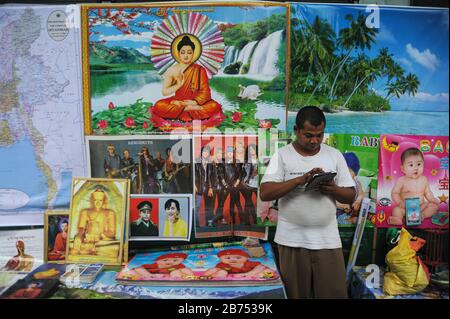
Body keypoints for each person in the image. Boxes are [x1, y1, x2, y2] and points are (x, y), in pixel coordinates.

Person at [260, 106, 356, 299]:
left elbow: (350, 195)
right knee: (295, 295)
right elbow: (265, 192)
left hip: (327, 240)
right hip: (291, 240)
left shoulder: (334, 155)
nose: (314, 141)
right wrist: (299, 180)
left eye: (319, 135)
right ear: (296, 130)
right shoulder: (282, 156)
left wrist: (333, 189)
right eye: (308, 135)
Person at [150, 35, 223, 124]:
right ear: (178, 53)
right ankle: (189, 111)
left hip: (194, 103)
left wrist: (195, 102)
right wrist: (178, 85)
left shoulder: (200, 69)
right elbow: (165, 91)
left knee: (214, 106)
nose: (186, 55)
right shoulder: (172, 69)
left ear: (193, 53)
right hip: (178, 101)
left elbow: (206, 92)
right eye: (183, 52)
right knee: (159, 105)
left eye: (189, 52)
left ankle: (184, 111)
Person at [388, 147, 440, 225]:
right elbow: (395, 193)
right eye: (411, 165)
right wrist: (400, 202)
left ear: (423, 164)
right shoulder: (401, 180)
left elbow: (427, 192)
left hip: (421, 207)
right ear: (403, 168)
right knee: (396, 210)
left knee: (434, 205)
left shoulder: (424, 179)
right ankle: (398, 219)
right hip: (405, 208)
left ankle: (422, 215)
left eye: (419, 164)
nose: (416, 168)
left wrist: (431, 198)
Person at [71, 188, 117, 256]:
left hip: (102, 242)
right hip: (87, 240)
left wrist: (100, 236)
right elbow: (81, 229)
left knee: (115, 248)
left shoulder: (110, 213)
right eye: (95, 200)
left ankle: (90, 249)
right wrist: (82, 236)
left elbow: (112, 232)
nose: (98, 203)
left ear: (104, 201)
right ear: (92, 201)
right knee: (74, 243)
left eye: (100, 200)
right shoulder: (85, 212)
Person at [203, 249, 272, 279]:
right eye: (228, 258)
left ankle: (261, 277)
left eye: (238, 257)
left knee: (267, 271)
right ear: (221, 259)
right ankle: (207, 278)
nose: (233, 260)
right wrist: (212, 273)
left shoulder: (248, 263)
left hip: (251, 274)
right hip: (230, 276)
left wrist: (249, 274)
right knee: (220, 271)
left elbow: (261, 267)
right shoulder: (222, 265)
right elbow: (216, 270)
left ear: (246, 258)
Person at [336, 152, 365, 224]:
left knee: (371, 211)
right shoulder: (335, 183)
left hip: (352, 211)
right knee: (341, 220)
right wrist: (342, 205)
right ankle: (351, 222)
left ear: (355, 174)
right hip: (338, 212)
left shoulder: (357, 183)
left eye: (350, 175)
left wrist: (358, 201)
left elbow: (361, 194)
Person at [223, 145, 244, 225]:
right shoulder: (223, 162)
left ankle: (242, 220)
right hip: (227, 186)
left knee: (237, 203)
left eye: (231, 152)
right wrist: (225, 185)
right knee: (230, 204)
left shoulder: (237, 162)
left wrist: (237, 182)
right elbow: (221, 174)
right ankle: (232, 221)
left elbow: (240, 173)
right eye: (228, 152)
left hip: (235, 186)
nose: (230, 154)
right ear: (226, 153)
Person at [195, 145, 214, 227]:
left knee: (209, 206)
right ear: (201, 153)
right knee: (197, 206)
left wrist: (211, 187)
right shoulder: (197, 163)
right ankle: (196, 224)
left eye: (207, 152)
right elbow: (193, 175)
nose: (205, 153)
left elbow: (213, 177)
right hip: (199, 186)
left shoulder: (210, 163)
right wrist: (194, 185)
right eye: (204, 151)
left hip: (207, 187)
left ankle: (209, 222)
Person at [239, 143, 258, 225]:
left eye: (253, 149)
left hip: (258, 184)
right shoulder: (246, 161)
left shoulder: (261, 160)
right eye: (250, 150)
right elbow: (243, 172)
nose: (251, 151)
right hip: (247, 184)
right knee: (248, 203)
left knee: (261, 203)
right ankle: (247, 221)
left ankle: (257, 220)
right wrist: (242, 181)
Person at [211, 146, 228, 226]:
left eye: (221, 154)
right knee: (213, 204)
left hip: (223, 186)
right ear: (215, 154)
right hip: (214, 186)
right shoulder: (211, 162)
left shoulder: (224, 162)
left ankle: (216, 219)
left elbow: (226, 174)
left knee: (221, 204)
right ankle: (217, 218)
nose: (220, 155)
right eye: (218, 153)